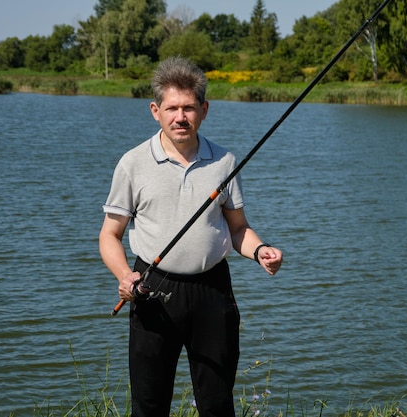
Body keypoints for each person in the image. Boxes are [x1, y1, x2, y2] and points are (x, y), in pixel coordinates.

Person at [99, 56, 283, 417]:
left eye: (189, 108)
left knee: (217, 404)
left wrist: (260, 250)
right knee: (149, 407)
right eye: (171, 108)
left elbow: (238, 229)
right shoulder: (132, 163)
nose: (180, 117)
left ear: (204, 110)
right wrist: (125, 277)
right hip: (150, 289)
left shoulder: (225, 162)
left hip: (212, 293)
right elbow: (110, 234)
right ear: (155, 110)